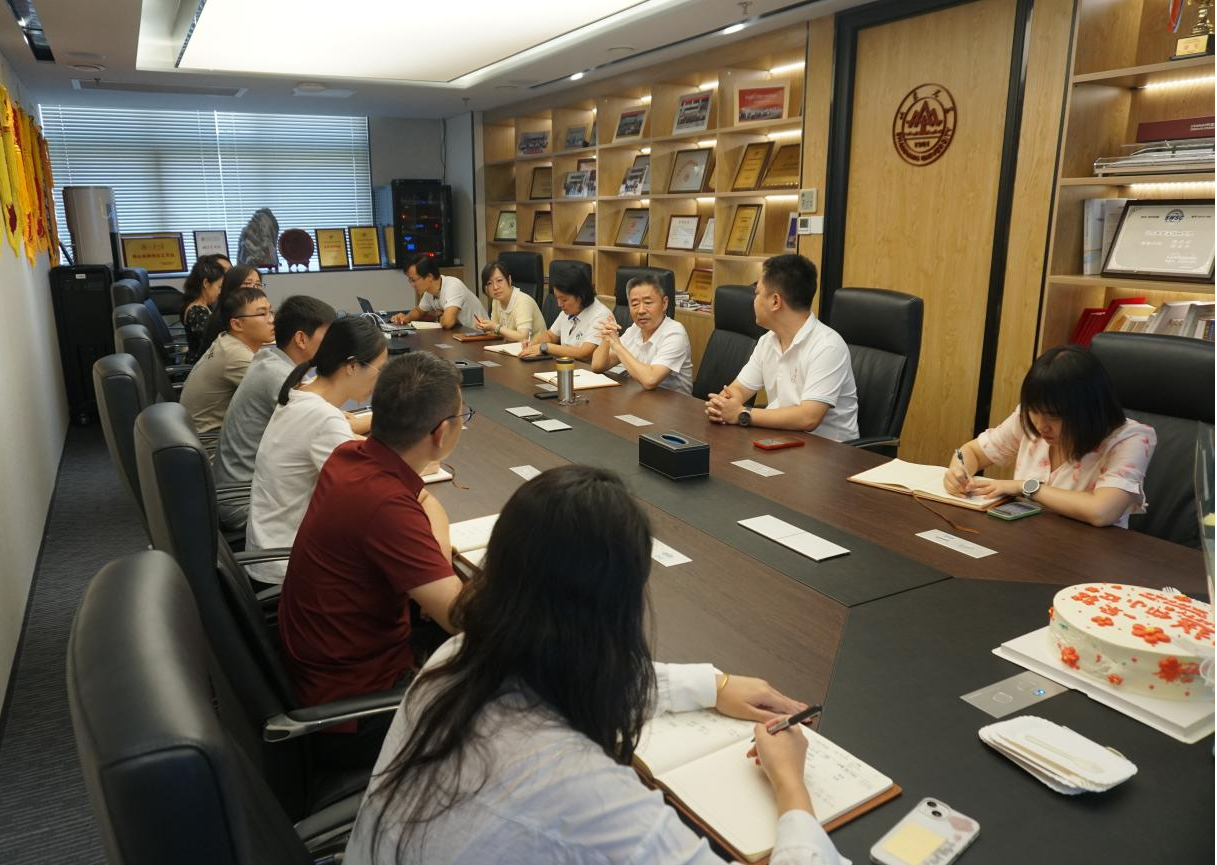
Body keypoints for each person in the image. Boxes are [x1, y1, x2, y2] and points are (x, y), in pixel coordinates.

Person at [345, 465, 841, 865]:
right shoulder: (583, 795)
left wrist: (713, 685)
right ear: (618, 609)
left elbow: (570, 672)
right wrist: (790, 787)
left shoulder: (456, 658)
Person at [277, 352, 467, 769]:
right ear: (441, 433)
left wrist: (436, 549)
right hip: (359, 708)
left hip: (325, 665)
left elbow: (425, 499)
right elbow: (462, 617)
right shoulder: (384, 505)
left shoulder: (351, 456)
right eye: (462, 416)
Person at [945, 345, 1156, 528]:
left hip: (1089, 553)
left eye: (1053, 416)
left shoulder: (1131, 438)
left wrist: (1025, 487)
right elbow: (973, 452)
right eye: (1034, 410)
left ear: (1087, 410)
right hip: (1025, 539)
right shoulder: (1027, 419)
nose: (1040, 426)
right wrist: (958, 473)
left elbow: (1102, 511)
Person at [245, 316, 386, 583]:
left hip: (273, 548)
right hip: (288, 567)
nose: (380, 380)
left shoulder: (300, 393)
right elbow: (369, 498)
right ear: (352, 366)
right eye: (379, 370)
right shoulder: (323, 418)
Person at [212, 295, 337, 531]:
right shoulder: (278, 376)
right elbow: (331, 425)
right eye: (329, 336)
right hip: (246, 501)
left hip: (252, 487)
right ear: (301, 339)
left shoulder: (269, 358)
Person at [706, 254, 858, 441]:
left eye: (757, 293)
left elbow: (808, 418)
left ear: (775, 302)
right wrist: (723, 404)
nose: (754, 300)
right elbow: (739, 389)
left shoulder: (827, 346)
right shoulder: (768, 341)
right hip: (783, 440)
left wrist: (741, 414)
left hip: (829, 451)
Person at [179, 281, 274, 434]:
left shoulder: (226, 340)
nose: (271, 320)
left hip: (206, 432)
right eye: (262, 314)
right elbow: (283, 397)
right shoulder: (235, 356)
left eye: (271, 312)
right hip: (212, 442)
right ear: (237, 324)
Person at [591, 274, 693, 394]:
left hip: (673, 402)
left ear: (664, 303)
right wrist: (607, 338)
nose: (641, 310)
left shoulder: (675, 333)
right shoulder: (635, 329)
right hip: (641, 396)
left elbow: (650, 380)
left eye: (648, 302)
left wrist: (617, 346)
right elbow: (597, 366)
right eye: (634, 304)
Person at [518, 266, 612, 361]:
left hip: (587, 368)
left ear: (581, 296)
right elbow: (550, 336)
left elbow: (584, 353)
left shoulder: (601, 316)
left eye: (564, 300)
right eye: (557, 298)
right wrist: (533, 343)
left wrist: (545, 347)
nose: (559, 304)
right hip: (566, 365)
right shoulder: (569, 310)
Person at [390, 254, 486, 330]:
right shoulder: (429, 292)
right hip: (461, 334)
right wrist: (405, 318)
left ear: (429, 277)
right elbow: (419, 311)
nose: (412, 285)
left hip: (480, 335)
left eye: (413, 280)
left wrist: (439, 316)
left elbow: (448, 322)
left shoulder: (453, 286)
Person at [196, 264, 263, 359]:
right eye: (248, 283)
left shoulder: (246, 313)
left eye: (258, 284)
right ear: (232, 287)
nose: (254, 288)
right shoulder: (223, 318)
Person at [472, 259, 546, 341]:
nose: (495, 287)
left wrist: (495, 327)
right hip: (510, 346)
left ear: (509, 280)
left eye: (499, 280)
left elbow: (523, 337)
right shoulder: (496, 301)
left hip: (536, 347)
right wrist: (486, 327)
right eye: (489, 283)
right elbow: (496, 332)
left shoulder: (523, 301)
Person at [180, 255, 228, 363]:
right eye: (219, 287)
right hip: (198, 365)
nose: (220, 292)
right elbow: (211, 345)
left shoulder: (204, 306)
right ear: (206, 283)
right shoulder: (197, 311)